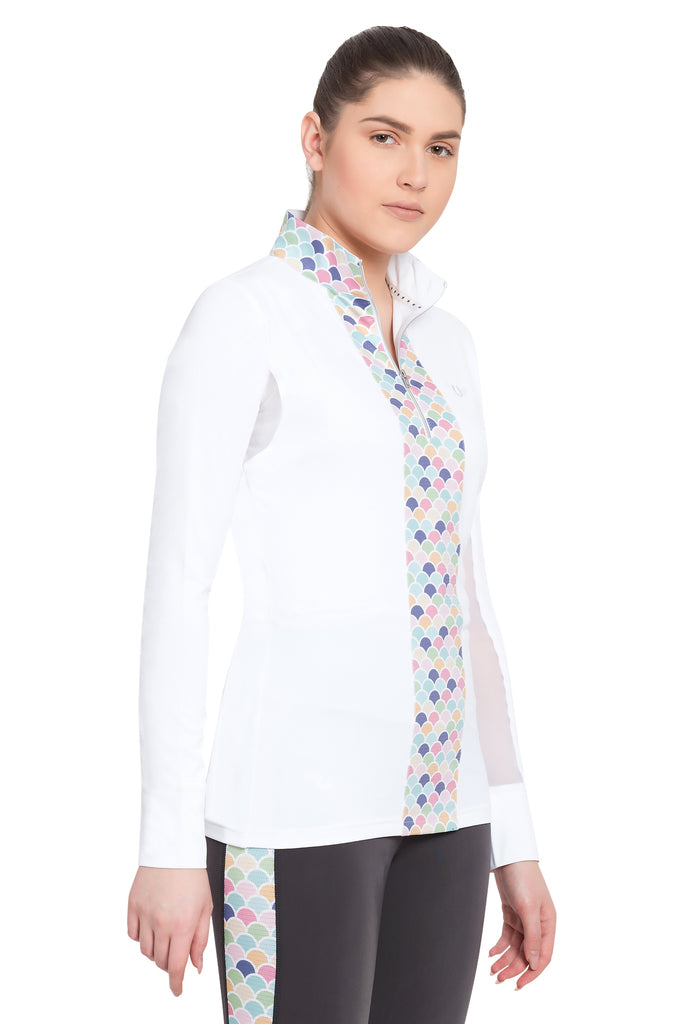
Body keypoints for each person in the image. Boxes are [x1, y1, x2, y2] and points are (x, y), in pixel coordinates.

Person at [127, 24, 556, 1024]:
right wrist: (165, 842)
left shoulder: (448, 344)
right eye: (383, 136)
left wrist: (514, 834)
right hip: (295, 809)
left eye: (441, 147)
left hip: (448, 813)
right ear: (315, 140)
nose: (415, 174)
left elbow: (470, 600)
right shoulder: (244, 315)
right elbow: (179, 585)